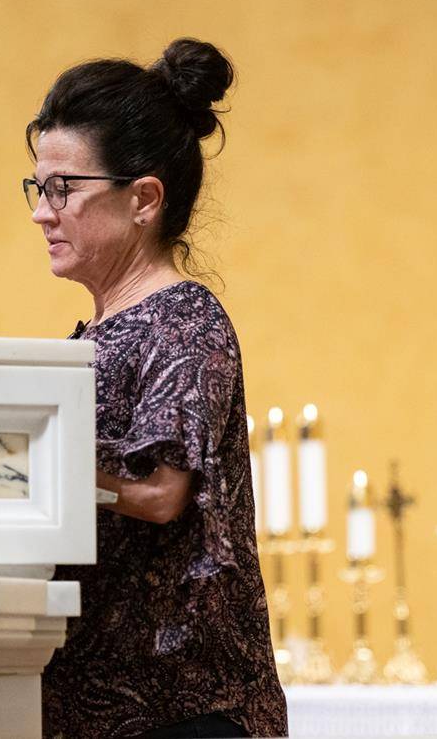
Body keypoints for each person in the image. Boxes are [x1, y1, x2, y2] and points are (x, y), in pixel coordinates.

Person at [25, 39, 288, 738]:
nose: (41, 212)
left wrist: (15, 463)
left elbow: (157, 491)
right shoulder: (96, 331)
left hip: (180, 708)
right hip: (95, 700)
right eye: (36, 187)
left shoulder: (183, 321)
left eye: (62, 188)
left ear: (142, 198)